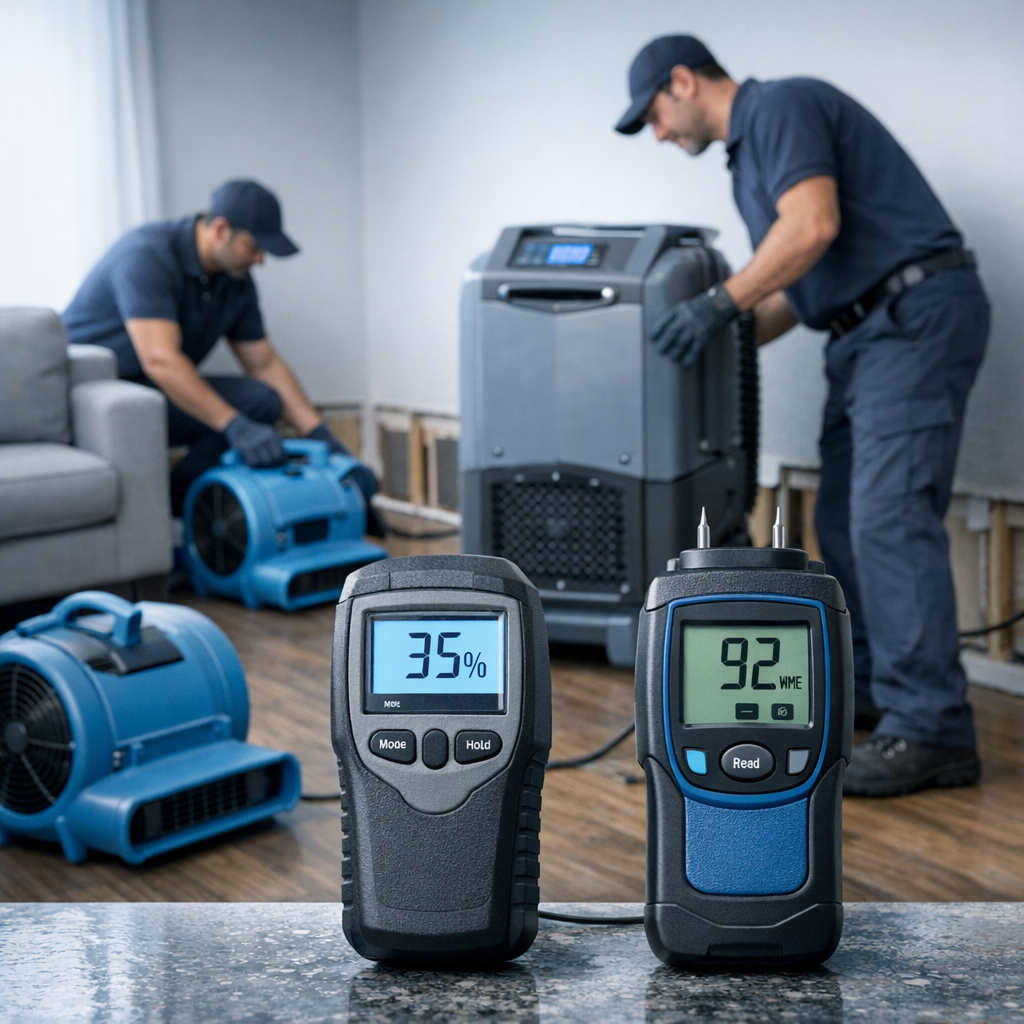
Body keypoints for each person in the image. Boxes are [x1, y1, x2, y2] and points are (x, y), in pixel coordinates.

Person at [616, 35, 989, 796]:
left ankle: (933, 728)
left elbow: (811, 227)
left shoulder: (779, 106)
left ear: (683, 82)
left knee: (887, 516)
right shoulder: (749, 159)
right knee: (848, 519)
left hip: (912, 316)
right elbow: (793, 286)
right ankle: (874, 691)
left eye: (654, 114)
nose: (658, 133)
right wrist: (720, 340)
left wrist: (718, 305)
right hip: (863, 333)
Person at [62, 179, 382, 531]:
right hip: (94, 394)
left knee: (261, 401)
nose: (260, 260)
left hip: (155, 390)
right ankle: (170, 516)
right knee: (236, 417)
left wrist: (321, 436)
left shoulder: (235, 281)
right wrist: (235, 426)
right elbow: (160, 359)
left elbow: (263, 363)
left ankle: (180, 509)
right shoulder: (146, 255)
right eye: (254, 246)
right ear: (221, 229)